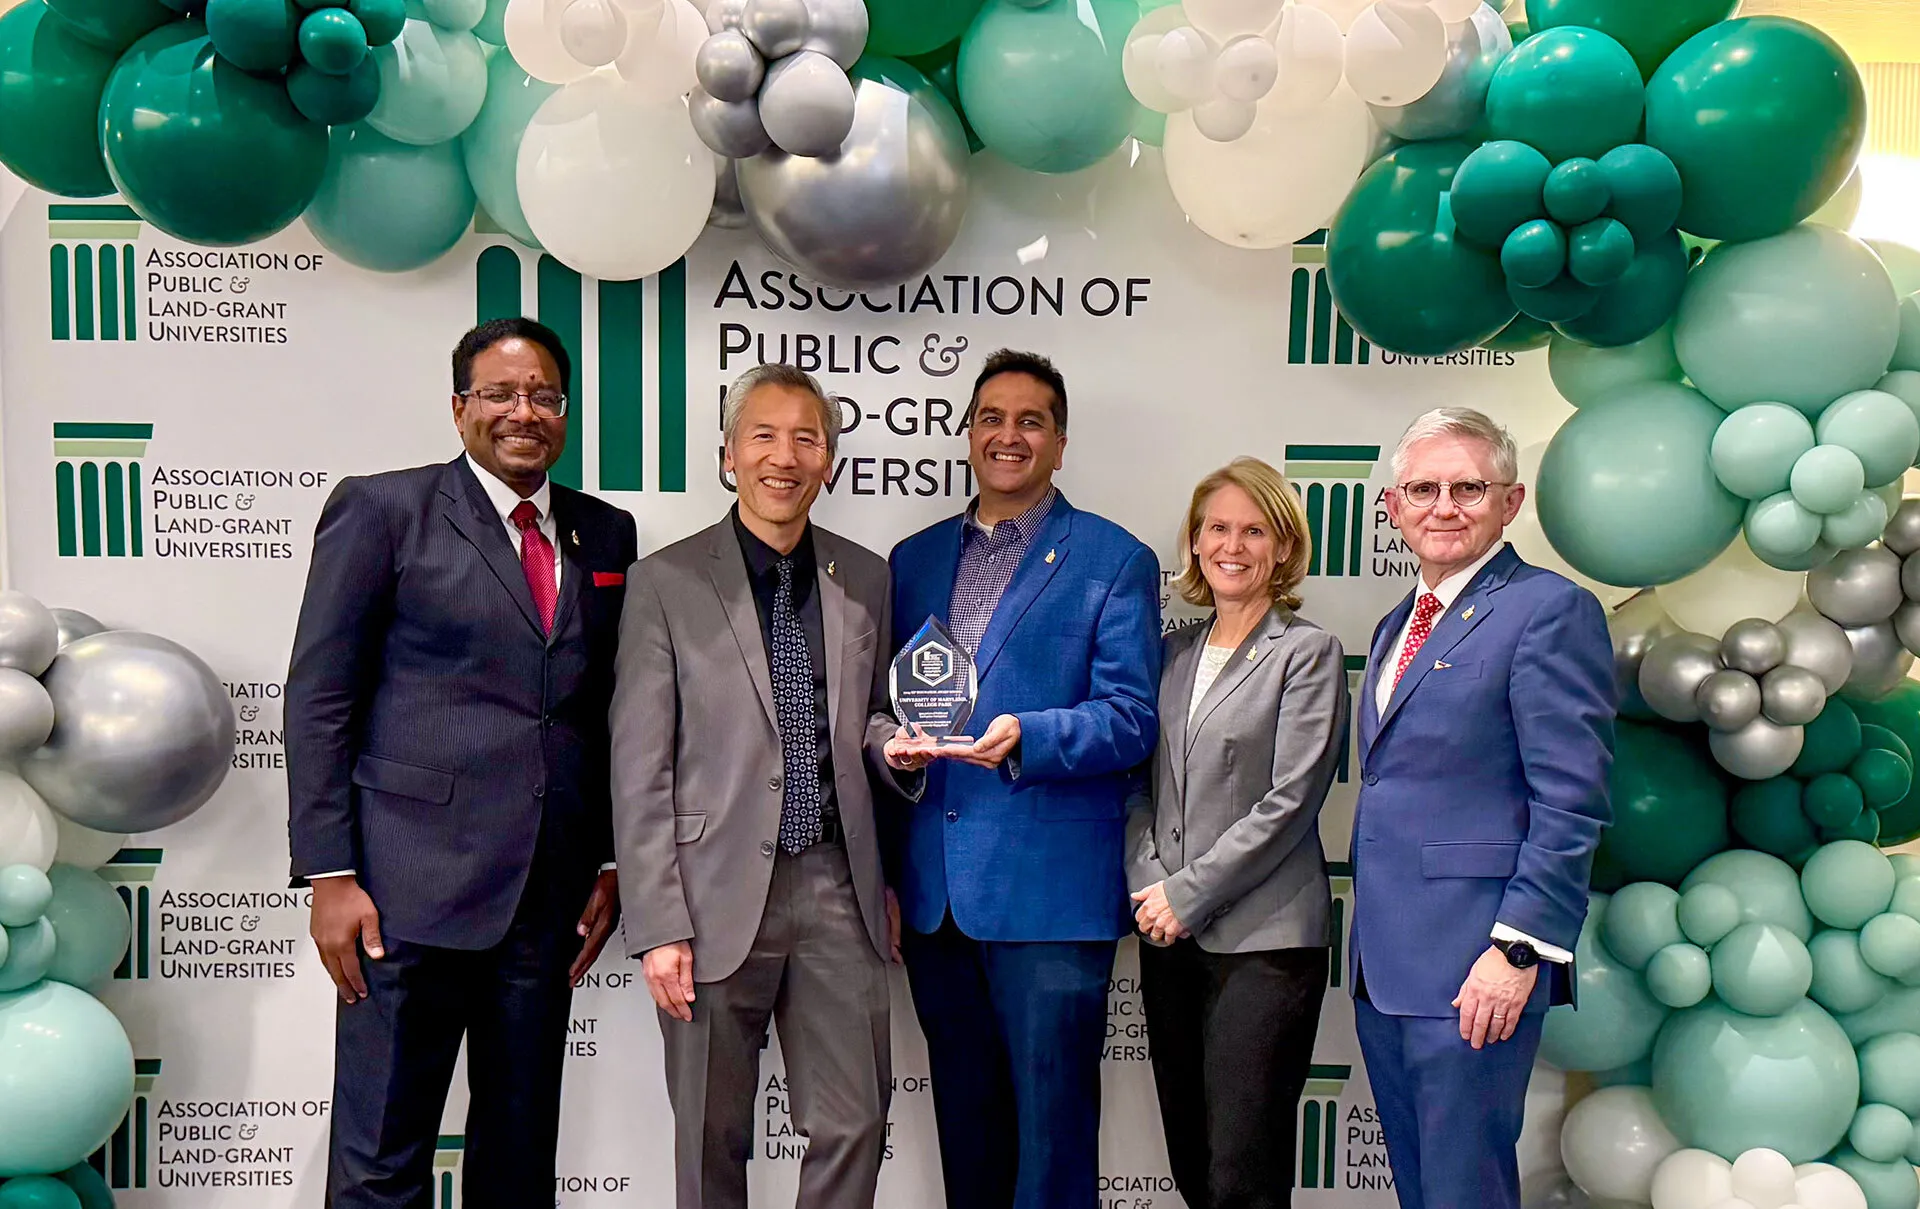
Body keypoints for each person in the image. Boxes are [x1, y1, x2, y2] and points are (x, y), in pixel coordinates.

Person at [286, 317, 638, 1208]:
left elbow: (600, 709)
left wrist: (604, 856)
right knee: (379, 1161)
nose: (525, 412)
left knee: (519, 1161)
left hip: (543, 900)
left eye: (544, 396)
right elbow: (321, 696)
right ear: (459, 408)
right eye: (501, 393)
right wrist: (330, 871)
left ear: (564, 413)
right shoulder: (382, 509)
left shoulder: (607, 533)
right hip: (401, 897)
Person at [611, 364, 916, 1209]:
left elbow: (875, 721)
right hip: (705, 900)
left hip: (835, 884)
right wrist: (658, 921)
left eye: (807, 438)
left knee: (855, 1122)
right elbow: (639, 765)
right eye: (765, 436)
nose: (785, 456)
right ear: (728, 455)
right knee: (710, 1137)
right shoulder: (665, 582)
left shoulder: (867, 577)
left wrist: (903, 755)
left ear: (829, 462)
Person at [885, 349, 1162, 1209]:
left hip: (1049, 897)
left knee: (1053, 1142)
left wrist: (1027, 736)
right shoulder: (913, 557)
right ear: (968, 433)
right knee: (968, 1131)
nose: (1009, 436)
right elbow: (882, 703)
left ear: (1060, 441)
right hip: (936, 898)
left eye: (1030, 420)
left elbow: (1131, 716)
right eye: (992, 418)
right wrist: (888, 753)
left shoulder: (1114, 558)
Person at [1351, 408, 1614, 1209]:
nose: (1444, 505)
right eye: (1424, 488)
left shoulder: (1548, 609)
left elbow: (1571, 799)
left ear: (1511, 500)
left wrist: (1518, 951)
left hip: (1477, 966)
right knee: (1423, 1191)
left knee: (1465, 1194)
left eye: (1469, 487)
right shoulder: (1399, 622)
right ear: (1394, 507)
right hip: (1388, 966)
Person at [1125, 457, 1348, 1209]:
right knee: (1191, 1159)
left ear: (1282, 547)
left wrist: (1187, 894)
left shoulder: (1307, 653)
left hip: (1265, 944)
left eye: (1254, 530)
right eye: (1217, 527)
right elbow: (1138, 784)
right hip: (1169, 937)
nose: (1233, 544)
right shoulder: (1169, 652)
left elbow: (1291, 800)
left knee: (1240, 1176)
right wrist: (1148, 883)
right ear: (1193, 542)